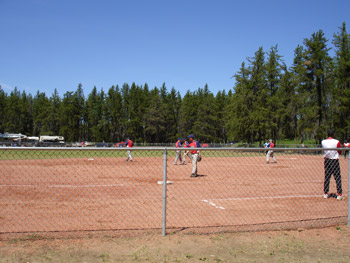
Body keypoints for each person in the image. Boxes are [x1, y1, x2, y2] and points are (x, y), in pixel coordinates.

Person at [322, 129, 343, 200]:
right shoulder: (336, 142)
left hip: (327, 161)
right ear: (333, 134)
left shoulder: (323, 141)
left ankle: (325, 193)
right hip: (334, 161)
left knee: (327, 177)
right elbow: (339, 151)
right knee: (337, 177)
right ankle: (339, 194)